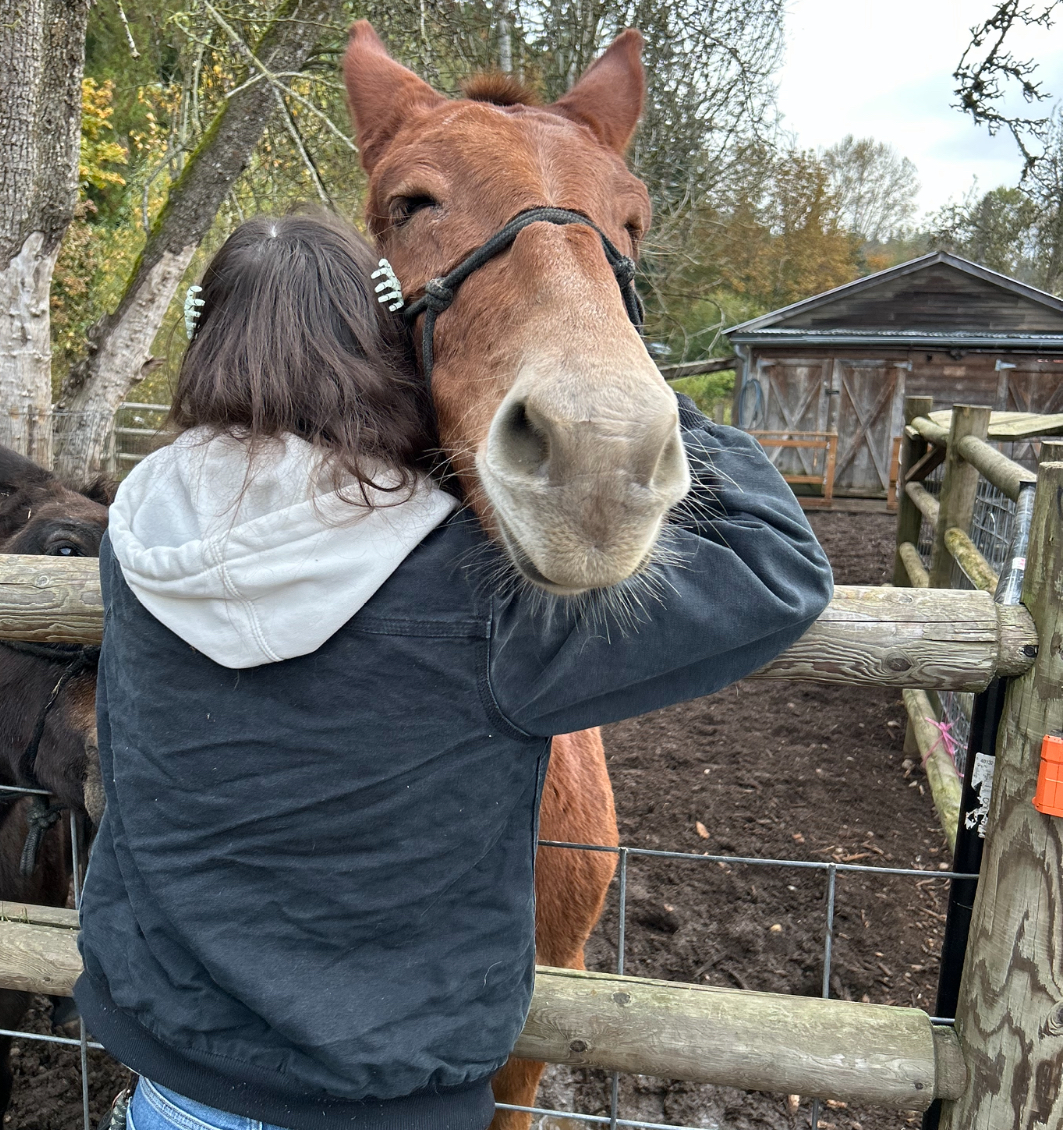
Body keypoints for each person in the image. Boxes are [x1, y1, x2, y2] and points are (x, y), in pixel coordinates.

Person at [75, 211, 833, 1130]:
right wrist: (619, 366)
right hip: (389, 1095)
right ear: (385, 342)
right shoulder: (471, 588)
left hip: (176, 1080)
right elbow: (776, 565)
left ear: (204, 346)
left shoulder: (135, 542)